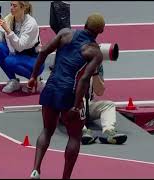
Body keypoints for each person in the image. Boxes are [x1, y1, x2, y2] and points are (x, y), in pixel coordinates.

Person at [27, 13, 105, 179]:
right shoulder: (95, 52)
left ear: (84, 24)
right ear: (101, 31)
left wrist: (33, 76)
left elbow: (43, 52)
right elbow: (84, 80)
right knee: (75, 136)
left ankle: (35, 169)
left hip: (51, 87)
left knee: (47, 130)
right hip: (69, 93)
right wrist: (76, 106)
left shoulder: (64, 33)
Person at [0, 1, 44, 94]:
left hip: (35, 61)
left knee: (9, 61)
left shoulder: (31, 23)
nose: (11, 8)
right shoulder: (9, 19)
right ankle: (13, 81)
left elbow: (20, 47)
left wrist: (8, 30)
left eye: (14, 6)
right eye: (11, 5)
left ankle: (35, 81)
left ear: (23, 8)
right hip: (18, 56)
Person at [81, 63, 127, 145]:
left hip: (87, 106)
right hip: (67, 107)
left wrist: (95, 73)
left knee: (109, 105)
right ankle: (82, 132)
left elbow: (99, 92)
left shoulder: (97, 63)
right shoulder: (68, 60)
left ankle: (108, 132)